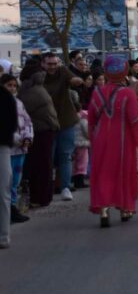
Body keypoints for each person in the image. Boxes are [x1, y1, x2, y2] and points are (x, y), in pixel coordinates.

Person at [88, 55, 138, 227]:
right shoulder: (128, 93)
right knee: (122, 171)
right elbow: (135, 119)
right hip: (122, 139)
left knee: (103, 173)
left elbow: (91, 118)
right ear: (124, 70)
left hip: (101, 139)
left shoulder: (97, 92)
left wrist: (93, 138)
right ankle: (124, 208)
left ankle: (104, 211)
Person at [42, 52, 83, 201]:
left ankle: (66, 187)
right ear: (43, 64)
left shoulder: (63, 71)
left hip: (66, 120)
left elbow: (72, 79)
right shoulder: (40, 77)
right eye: (49, 64)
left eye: (54, 63)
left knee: (65, 155)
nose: (52, 67)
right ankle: (49, 187)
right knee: (49, 157)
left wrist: (77, 80)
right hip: (47, 123)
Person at [18, 62, 58, 209]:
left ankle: (39, 197)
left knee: (38, 166)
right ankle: (44, 196)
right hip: (45, 130)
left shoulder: (29, 91)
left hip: (39, 131)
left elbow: (21, 107)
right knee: (44, 164)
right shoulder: (40, 89)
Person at [2, 74, 32, 224]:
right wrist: (17, 139)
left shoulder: (19, 103)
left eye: (14, 86)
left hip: (21, 150)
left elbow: (27, 122)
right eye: (9, 85)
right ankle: (6, 209)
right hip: (7, 148)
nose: (12, 88)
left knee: (15, 180)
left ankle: (13, 207)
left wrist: (27, 137)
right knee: (5, 181)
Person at [0, 80, 16, 248]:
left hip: (1, 146)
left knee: (2, 192)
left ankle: (3, 235)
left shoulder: (5, 97)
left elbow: (11, 125)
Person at [72, 106, 90, 190]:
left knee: (74, 162)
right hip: (82, 143)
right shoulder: (83, 117)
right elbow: (86, 130)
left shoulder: (72, 116)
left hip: (73, 142)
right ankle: (80, 181)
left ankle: (74, 179)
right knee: (82, 163)